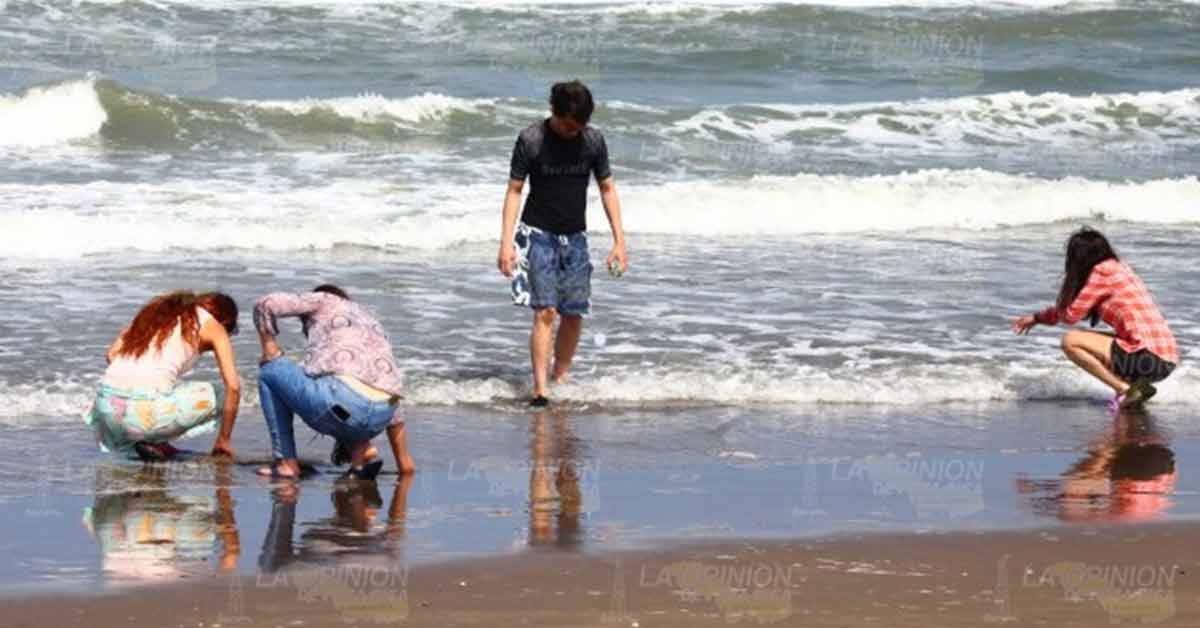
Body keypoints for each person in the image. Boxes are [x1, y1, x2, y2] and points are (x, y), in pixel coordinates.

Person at [497, 80, 628, 407]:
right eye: (569, 126)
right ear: (553, 111)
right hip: (537, 233)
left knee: (573, 313)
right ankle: (540, 390)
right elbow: (514, 191)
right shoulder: (531, 140)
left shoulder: (593, 141)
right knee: (545, 311)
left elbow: (607, 188)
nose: (574, 132)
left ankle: (561, 377)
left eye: (579, 127)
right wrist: (505, 243)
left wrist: (619, 241)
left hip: (576, 237)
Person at [253, 284, 415, 480]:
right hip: (382, 413)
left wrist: (269, 350)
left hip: (345, 402)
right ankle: (361, 453)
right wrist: (404, 462)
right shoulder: (369, 320)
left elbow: (264, 304)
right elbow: (391, 397)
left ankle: (286, 463)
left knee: (270, 372)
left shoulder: (324, 300)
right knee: (348, 400)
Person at [1013, 228, 1178, 410]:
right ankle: (1135, 392)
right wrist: (1038, 318)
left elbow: (1071, 315)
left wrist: (1038, 317)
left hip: (1148, 359)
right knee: (1108, 340)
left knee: (1071, 341)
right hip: (1165, 360)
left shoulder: (1101, 273)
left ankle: (1123, 389)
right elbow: (1077, 311)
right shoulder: (1118, 267)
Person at [85, 291, 240, 461]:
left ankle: (147, 441)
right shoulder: (213, 326)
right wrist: (223, 440)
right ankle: (153, 437)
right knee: (222, 394)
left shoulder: (154, 314)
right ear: (225, 321)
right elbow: (233, 386)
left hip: (106, 410)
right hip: (143, 416)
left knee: (165, 389)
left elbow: (111, 355)